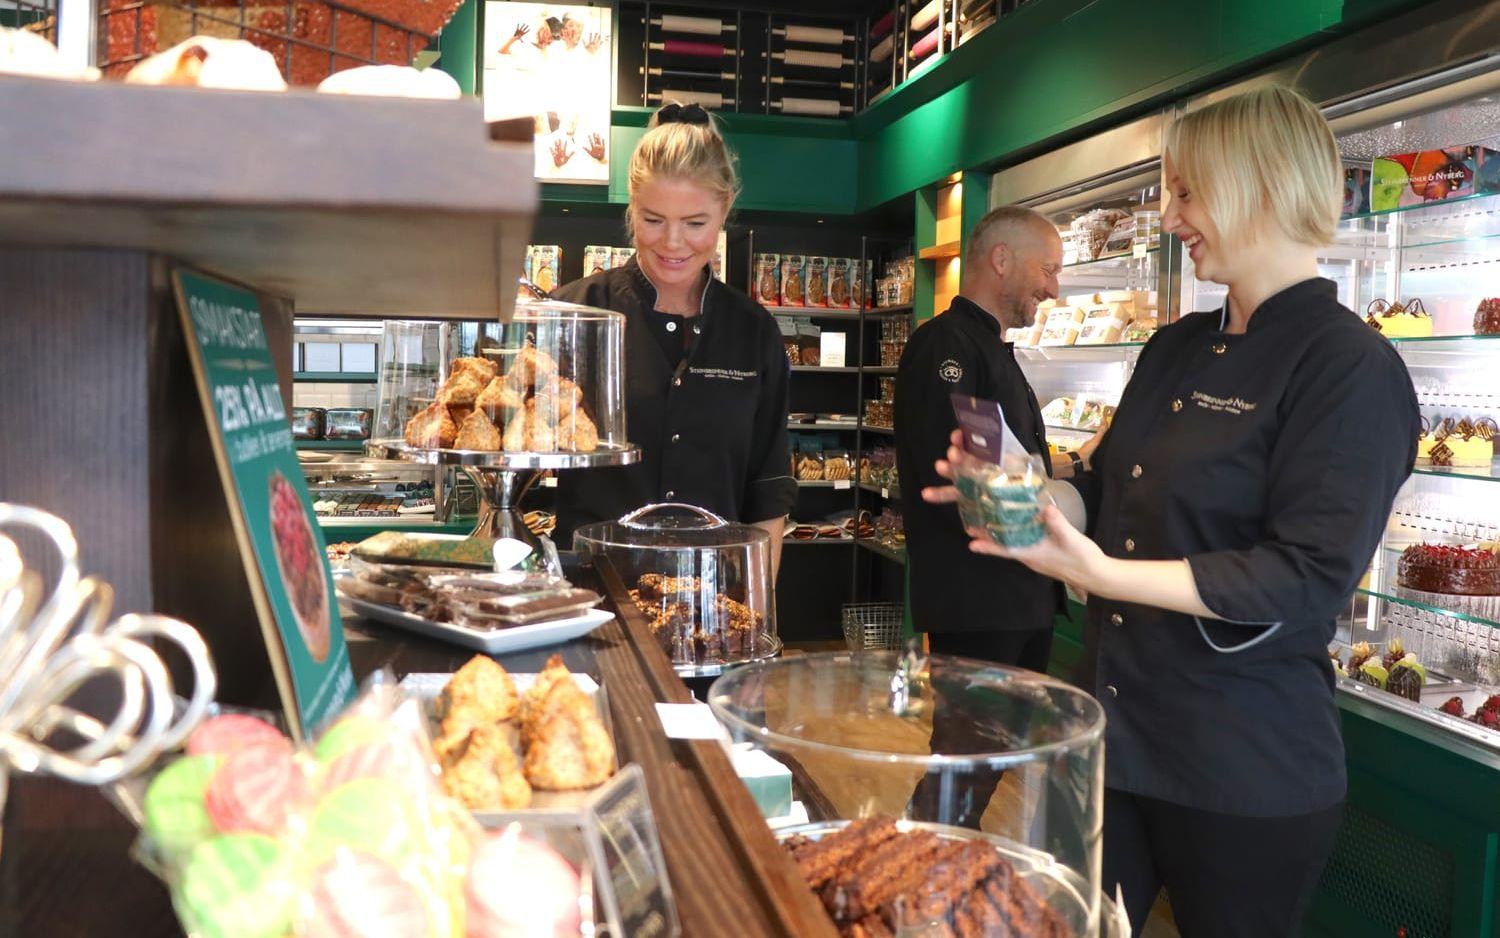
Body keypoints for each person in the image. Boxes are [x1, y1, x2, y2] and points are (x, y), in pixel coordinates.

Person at [924, 86, 1420, 936]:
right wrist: (1034, 499)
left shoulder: (1349, 368)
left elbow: (1305, 574)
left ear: (1257, 186)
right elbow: (1105, 487)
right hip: (1112, 742)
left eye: (1186, 192)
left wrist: (1099, 572)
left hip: (1244, 770)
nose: (1168, 215)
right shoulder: (1175, 346)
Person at [896, 205, 1092, 829]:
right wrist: (1052, 483)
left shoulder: (993, 350)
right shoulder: (948, 347)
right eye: (1047, 269)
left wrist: (1074, 466)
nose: (1053, 288)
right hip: (980, 596)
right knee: (965, 759)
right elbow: (978, 472)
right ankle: (921, 882)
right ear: (1001, 260)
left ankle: (935, 868)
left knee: (983, 756)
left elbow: (1012, 460)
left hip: (1015, 592)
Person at [550, 103, 796, 573]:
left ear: (724, 212)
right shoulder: (575, 315)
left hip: (711, 603)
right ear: (631, 208)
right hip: (594, 599)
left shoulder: (752, 330)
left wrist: (759, 612)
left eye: (695, 223)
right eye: (653, 219)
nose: (674, 242)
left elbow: (768, 489)